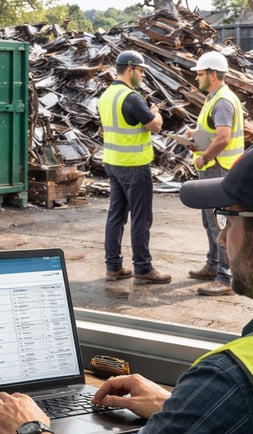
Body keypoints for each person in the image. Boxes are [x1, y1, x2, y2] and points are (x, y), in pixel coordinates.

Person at [0, 137, 253, 433]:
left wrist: (29, 428)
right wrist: (186, 408)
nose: (223, 239)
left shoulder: (236, 379)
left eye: (228, 221)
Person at [96, 50, 170, 285]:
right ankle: (143, 268)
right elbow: (154, 126)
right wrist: (156, 114)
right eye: (140, 71)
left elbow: (102, 130)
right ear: (129, 69)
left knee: (115, 216)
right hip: (134, 166)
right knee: (141, 218)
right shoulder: (131, 98)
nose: (143, 75)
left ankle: (113, 266)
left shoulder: (106, 96)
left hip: (113, 163)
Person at [184, 51, 244, 296]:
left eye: (199, 74)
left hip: (219, 169)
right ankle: (212, 265)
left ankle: (225, 277)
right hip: (215, 168)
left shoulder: (222, 102)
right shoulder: (214, 98)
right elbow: (212, 132)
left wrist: (205, 156)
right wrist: (194, 136)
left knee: (220, 223)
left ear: (212, 74)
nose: (196, 78)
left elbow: (223, 138)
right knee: (209, 221)